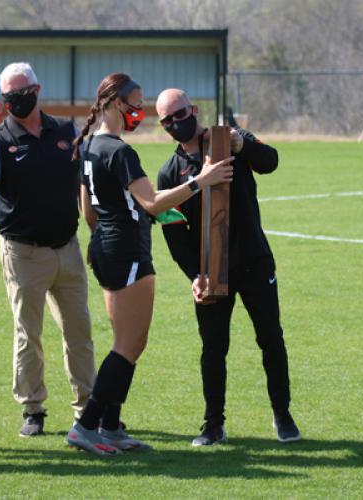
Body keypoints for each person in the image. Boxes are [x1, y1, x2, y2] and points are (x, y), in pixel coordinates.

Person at [66, 73, 233, 456]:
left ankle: (109, 425)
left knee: (127, 343)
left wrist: (111, 232)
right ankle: (87, 426)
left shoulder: (89, 145)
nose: (139, 111)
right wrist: (202, 181)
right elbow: (153, 203)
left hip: (107, 248)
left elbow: (88, 212)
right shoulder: (119, 151)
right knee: (129, 344)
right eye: (135, 104)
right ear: (112, 102)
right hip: (126, 251)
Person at [156, 88, 301, 446]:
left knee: (271, 338)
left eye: (180, 113)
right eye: (167, 120)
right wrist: (195, 275)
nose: (176, 123)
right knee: (213, 347)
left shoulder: (229, 141)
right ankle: (213, 424)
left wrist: (244, 145)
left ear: (194, 109)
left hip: (254, 261)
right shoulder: (169, 173)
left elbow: (271, 160)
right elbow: (175, 236)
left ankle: (282, 415)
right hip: (210, 272)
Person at [0, 62, 96, 437]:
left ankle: (88, 409)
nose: (15, 101)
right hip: (23, 252)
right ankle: (33, 408)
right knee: (29, 334)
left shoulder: (65, 130)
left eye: (21, 94)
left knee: (80, 331)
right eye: (9, 97)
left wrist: (95, 231)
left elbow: (82, 184)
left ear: (37, 90)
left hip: (68, 246)